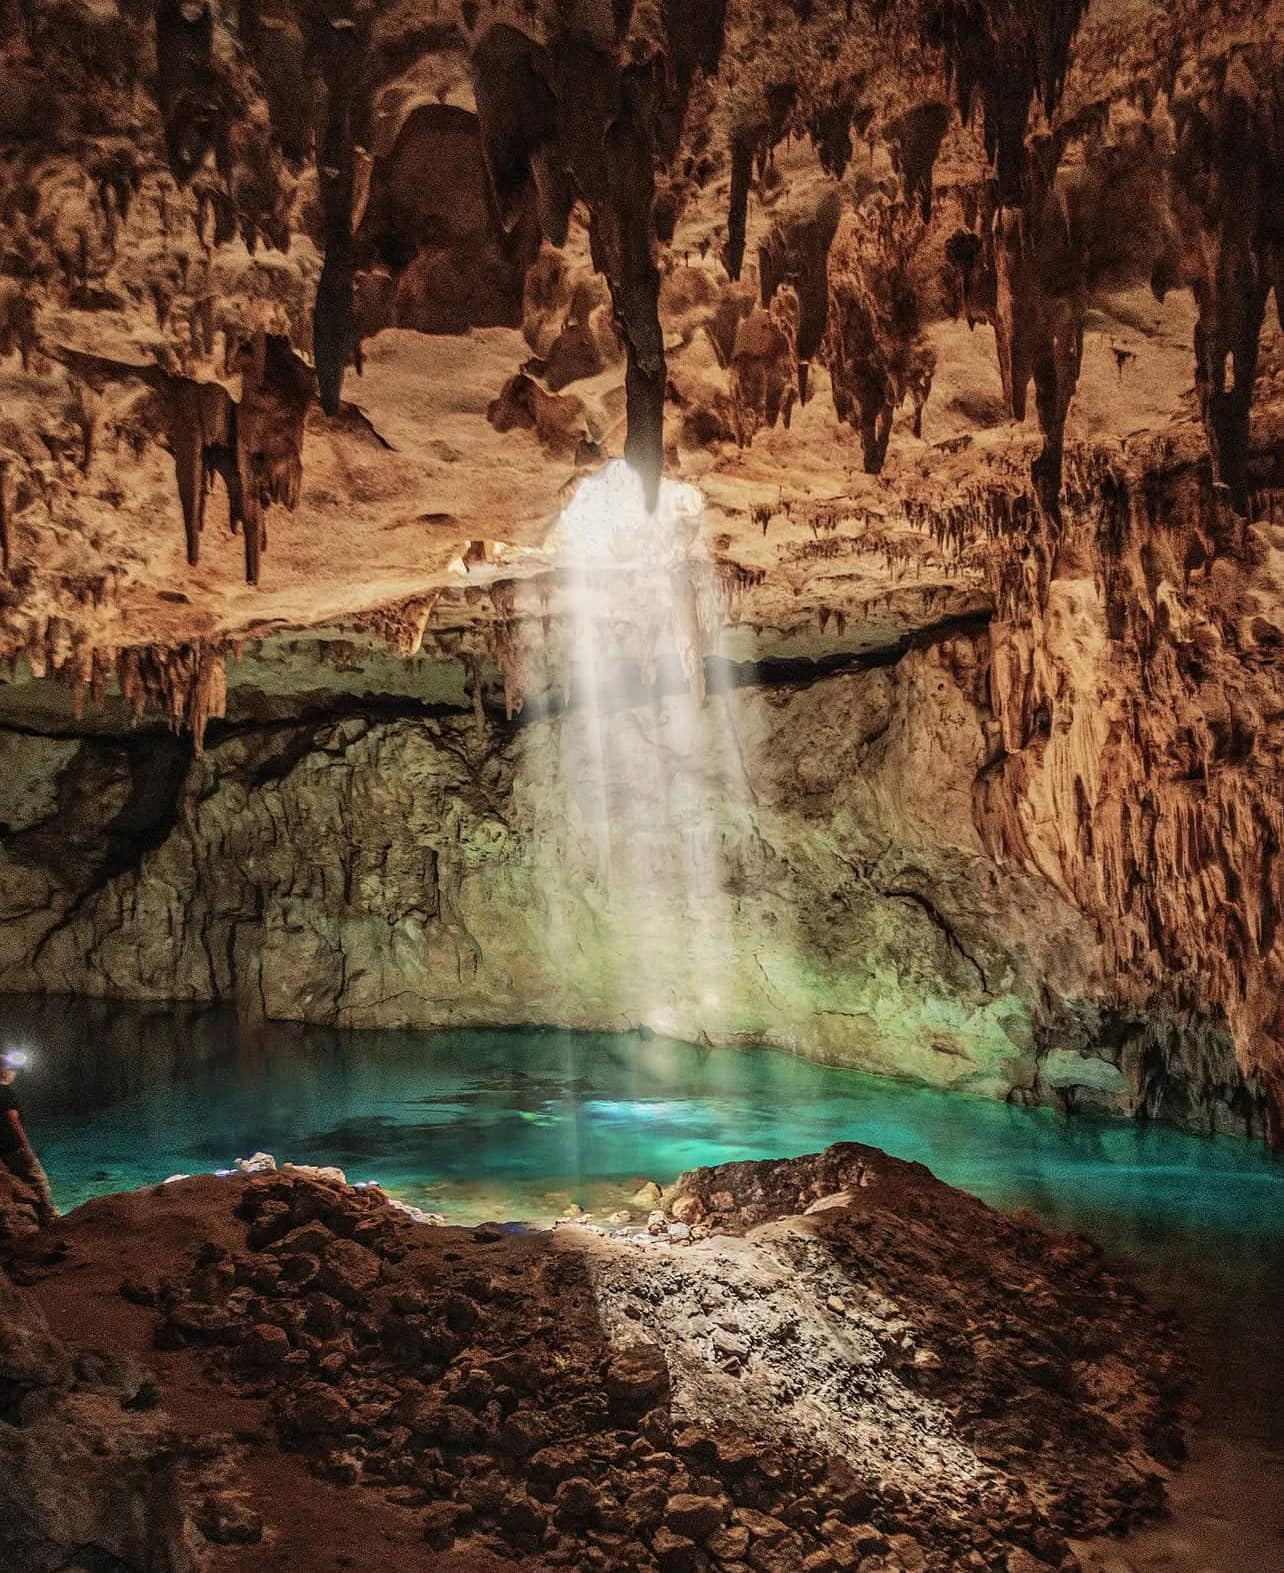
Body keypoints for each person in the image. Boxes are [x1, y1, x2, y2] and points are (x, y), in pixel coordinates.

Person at [0, 1050, 59, 1227]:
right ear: (4, 1071)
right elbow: (12, 1120)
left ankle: (10, 1222)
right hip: (14, 1147)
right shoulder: (6, 1092)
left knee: (10, 1184)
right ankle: (49, 1219)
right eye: (12, 1069)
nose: (14, 1073)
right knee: (38, 1180)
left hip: (2, 1151)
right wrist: (26, 1147)